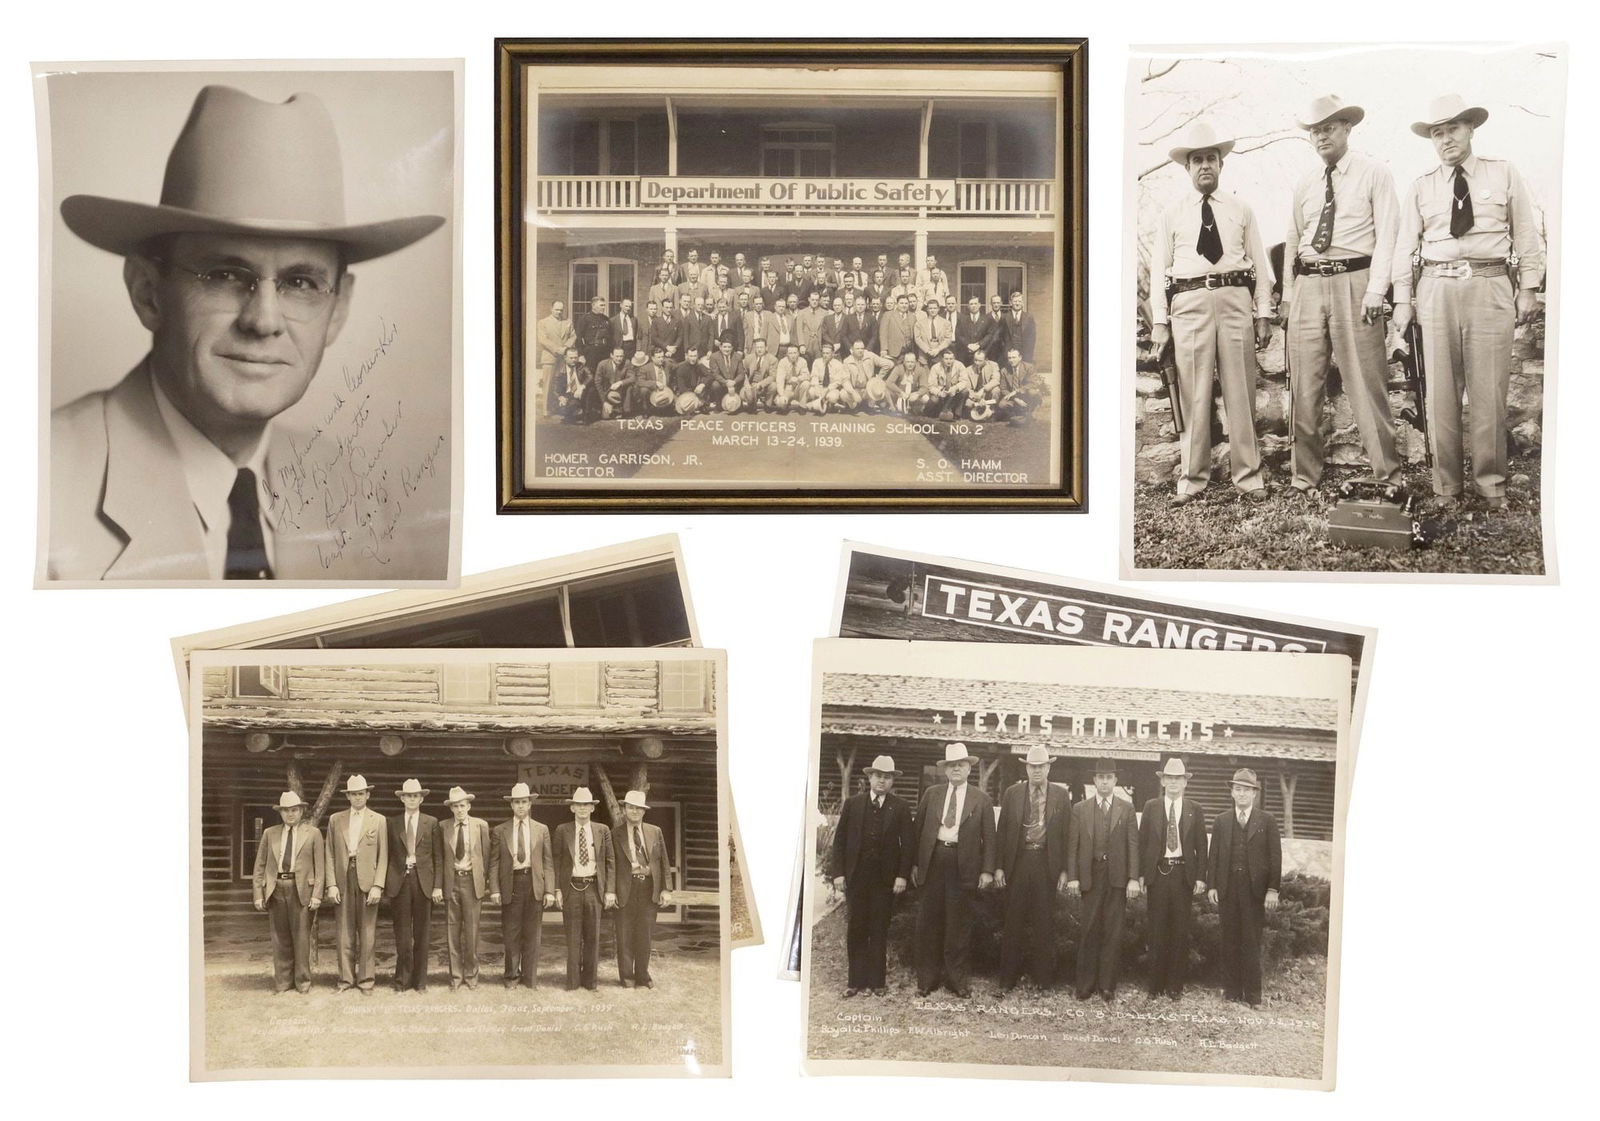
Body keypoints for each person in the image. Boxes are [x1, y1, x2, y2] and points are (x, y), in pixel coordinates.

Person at [49, 84, 443, 582]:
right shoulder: (35, 491)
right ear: (149, 293)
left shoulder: (359, 495)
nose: (263, 321)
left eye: (301, 283)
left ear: (338, 309)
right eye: (224, 275)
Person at [1391, 93, 1545, 512]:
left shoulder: (1504, 173)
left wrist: (1528, 286)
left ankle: (1491, 483)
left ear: (1471, 129)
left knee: (1489, 389)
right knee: (1440, 391)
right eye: (1437, 133)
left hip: (1490, 285)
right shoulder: (1421, 186)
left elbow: (1526, 234)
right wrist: (1402, 300)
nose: (1445, 139)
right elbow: (1405, 247)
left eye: (1453, 129)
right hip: (1436, 290)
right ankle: (1447, 487)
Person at [1149, 121, 1275, 507]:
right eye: (1197, 160)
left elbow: (1261, 264)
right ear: (1187, 168)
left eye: (1211, 159)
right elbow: (1158, 270)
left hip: (1235, 300)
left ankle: (1249, 476)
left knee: (1241, 390)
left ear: (1222, 165)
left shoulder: (1241, 210)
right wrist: (1159, 321)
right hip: (1188, 304)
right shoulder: (1171, 214)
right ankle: (1191, 478)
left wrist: (1264, 313)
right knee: (1193, 394)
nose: (1205, 165)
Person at [1282, 95, 1403, 497]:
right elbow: (1293, 238)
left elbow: (1388, 235)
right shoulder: (1305, 183)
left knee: (1368, 385)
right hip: (1309, 286)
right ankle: (1304, 476)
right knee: (1305, 385)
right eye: (1315, 130)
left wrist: (1376, 289)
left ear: (1347, 128)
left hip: (1356, 283)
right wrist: (1287, 294)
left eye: (1329, 127)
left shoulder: (1374, 173)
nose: (1321, 136)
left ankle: (1388, 475)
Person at [912, 743, 996, 998]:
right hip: (934, 859)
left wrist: (987, 870)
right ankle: (928, 979)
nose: (956, 768)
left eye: (961, 764)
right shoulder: (932, 794)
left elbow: (990, 839)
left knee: (959, 925)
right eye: (951, 765)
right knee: (929, 922)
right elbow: (918, 832)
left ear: (969, 768)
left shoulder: (981, 799)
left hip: (965, 865)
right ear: (945, 770)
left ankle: (956, 980)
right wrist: (914, 864)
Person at [829, 755, 915, 997]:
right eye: (878, 776)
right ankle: (855, 981)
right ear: (869, 777)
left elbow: (908, 845)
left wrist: (902, 876)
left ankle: (877, 983)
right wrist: (838, 874)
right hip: (856, 876)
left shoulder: (899, 807)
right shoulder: (853, 805)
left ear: (892, 781)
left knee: (879, 927)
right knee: (856, 927)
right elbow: (840, 842)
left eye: (887, 777)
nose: (882, 781)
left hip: (884, 880)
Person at [994, 745, 1070, 991]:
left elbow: (1068, 836)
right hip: (1018, 861)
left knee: (1043, 923)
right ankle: (1007, 980)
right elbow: (1002, 832)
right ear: (1026, 767)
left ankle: (1043, 980)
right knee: (1013, 921)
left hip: (1046, 862)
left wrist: (1064, 871)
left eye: (1041, 766)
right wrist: (999, 868)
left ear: (1049, 767)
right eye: (1032, 766)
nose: (1037, 771)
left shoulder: (1060, 795)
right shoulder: (1012, 793)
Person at [1063, 763, 1140, 1001]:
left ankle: (1107, 985)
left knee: (1112, 932)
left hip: (1116, 877)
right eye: (1100, 778)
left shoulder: (1126, 809)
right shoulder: (1080, 808)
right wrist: (1073, 876)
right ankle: (1085, 984)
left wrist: (1133, 878)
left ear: (1115, 781)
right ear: (1094, 781)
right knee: (1089, 929)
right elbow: (1073, 845)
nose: (1105, 782)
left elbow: (1133, 846)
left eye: (1109, 778)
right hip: (1090, 874)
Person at [1207, 769, 1282, 1007]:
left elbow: (1275, 857)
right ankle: (1232, 992)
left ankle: (1253, 995)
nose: (1241, 794)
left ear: (1254, 794)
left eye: (1246, 790)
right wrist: (1212, 886)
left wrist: (1272, 889)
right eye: (1237, 789)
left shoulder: (1267, 821)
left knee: (1251, 940)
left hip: (1254, 892)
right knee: (1229, 940)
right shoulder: (1221, 821)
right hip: (1228, 888)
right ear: (1231, 792)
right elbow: (1214, 855)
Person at [1138, 758, 1208, 1000]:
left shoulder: (1194, 809)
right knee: (1156, 931)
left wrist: (1200, 877)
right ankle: (1155, 987)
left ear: (1185, 782)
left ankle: (1175, 987)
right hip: (1158, 874)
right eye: (1169, 778)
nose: (1174, 782)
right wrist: (1140, 876)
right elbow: (1142, 842)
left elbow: (1202, 845)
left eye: (1178, 778)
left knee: (1179, 932)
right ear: (1163, 780)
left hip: (1182, 875)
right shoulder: (1151, 807)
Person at [251, 791, 324, 994]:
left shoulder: (313, 833)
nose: (290, 814)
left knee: (301, 938)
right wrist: (258, 893)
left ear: (301, 811)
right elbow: (260, 866)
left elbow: (320, 867)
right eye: (286, 811)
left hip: (301, 890)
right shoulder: (270, 833)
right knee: (279, 937)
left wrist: (317, 894)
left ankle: (302, 983)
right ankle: (283, 983)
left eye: (294, 810)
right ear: (280, 813)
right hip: (276, 889)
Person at [324, 774, 387, 994]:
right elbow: (329, 854)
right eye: (353, 794)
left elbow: (383, 855)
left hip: (368, 881)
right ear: (348, 796)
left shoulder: (378, 820)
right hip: (343, 878)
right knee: (344, 932)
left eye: (361, 793)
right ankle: (345, 980)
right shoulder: (336, 819)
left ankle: (366, 980)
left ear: (367, 794)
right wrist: (331, 884)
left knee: (367, 932)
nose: (358, 797)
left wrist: (378, 885)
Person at [490, 782, 555, 990]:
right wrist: (494, 889)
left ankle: (530, 978)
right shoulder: (500, 830)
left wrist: (549, 890)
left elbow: (548, 862)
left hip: (534, 883)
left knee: (533, 934)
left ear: (529, 804)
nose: (520, 806)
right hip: (512, 883)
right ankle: (511, 976)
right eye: (516, 802)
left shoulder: (541, 829)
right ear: (511, 805)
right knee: (511, 933)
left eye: (524, 802)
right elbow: (494, 862)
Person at [553, 787, 616, 991]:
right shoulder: (562, 830)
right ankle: (572, 982)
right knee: (572, 936)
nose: (582, 809)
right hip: (571, 887)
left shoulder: (602, 830)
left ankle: (590, 982)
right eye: (578, 805)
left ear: (592, 808)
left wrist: (609, 890)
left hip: (593, 888)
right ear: (572, 808)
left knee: (592, 936)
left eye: (586, 805)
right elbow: (556, 860)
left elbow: (610, 861)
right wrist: (557, 889)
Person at [612, 790, 673, 989]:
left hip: (648, 889)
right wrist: (611, 891)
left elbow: (663, 860)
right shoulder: (615, 833)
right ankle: (627, 978)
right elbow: (610, 865)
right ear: (624, 809)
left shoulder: (655, 831)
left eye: (639, 808)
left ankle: (643, 977)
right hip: (625, 888)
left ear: (644, 811)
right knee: (624, 935)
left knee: (644, 935)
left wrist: (666, 889)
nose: (635, 811)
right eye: (631, 807)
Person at [385, 778, 441, 993]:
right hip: (400, 882)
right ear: (402, 799)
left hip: (423, 882)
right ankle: (402, 981)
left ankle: (420, 982)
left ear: (421, 798)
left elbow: (437, 857)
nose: (412, 799)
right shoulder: (393, 823)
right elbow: (388, 855)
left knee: (422, 934)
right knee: (402, 935)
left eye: (415, 796)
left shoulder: (431, 822)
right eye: (408, 796)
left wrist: (437, 886)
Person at [439, 786, 490, 991]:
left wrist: (482, 881)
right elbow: (440, 858)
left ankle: (471, 976)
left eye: (462, 805)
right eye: (455, 806)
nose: (459, 810)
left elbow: (486, 856)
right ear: (451, 809)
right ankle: (455, 978)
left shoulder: (481, 826)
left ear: (468, 805)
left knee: (471, 931)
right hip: (452, 882)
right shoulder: (443, 826)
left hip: (471, 882)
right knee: (452, 931)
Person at [536, 300, 576, 420]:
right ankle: (546, 409)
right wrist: (558, 349)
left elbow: (573, 336)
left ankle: (563, 407)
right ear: (551, 309)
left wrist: (566, 348)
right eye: (556, 309)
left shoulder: (567, 322)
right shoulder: (543, 322)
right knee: (548, 383)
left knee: (564, 382)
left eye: (561, 310)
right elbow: (543, 340)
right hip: (550, 357)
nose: (559, 312)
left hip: (564, 357)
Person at [996, 348, 1046, 423]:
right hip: (1014, 397)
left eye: (1014, 357)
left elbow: (1033, 383)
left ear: (1020, 357)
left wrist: (1017, 391)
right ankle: (1016, 413)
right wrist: (1016, 399)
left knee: (1033, 392)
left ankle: (1032, 410)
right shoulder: (1004, 370)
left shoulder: (1029, 367)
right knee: (1002, 404)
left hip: (1026, 394)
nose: (1011, 360)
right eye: (1009, 358)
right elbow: (1003, 388)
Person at [955, 296, 999, 365]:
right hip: (966, 355)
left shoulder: (987, 319)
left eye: (975, 303)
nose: (973, 306)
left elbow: (990, 334)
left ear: (979, 305)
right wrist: (968, 345)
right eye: (971, 304)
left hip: (982, 353)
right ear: (968, 306)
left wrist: (979, 345)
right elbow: (958, 335)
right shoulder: (962, 319)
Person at [914, 297, 954, 365]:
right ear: (927, 309)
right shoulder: (919, 324)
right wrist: (927, 350)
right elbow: (917, 339)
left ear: (938, 309)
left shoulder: (946, 323)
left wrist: (938, 349)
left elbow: (948, 339)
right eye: (930, 308)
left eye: (935, 308)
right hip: (924, 356)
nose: (932, 310)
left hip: (940, 354)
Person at [1001, 291, 1037, 365]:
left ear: (1022, 303)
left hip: (1025, 352)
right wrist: (1006, 350)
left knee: (1023, 373)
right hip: (1009, 353)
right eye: (1015, 301)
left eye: (1019, 301)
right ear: (1011, 302)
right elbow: (1001, 336)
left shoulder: (1029, 317)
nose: (1017, 303)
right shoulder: (1004, 317)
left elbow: (1032, 337)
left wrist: (1028, 352)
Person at [879, 293, 916, 360]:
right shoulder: (888, 315)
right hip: (893, 351)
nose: (904, 305)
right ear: (897, 304)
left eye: (906, 303)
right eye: (901, 303)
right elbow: (883, 333)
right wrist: (884, 349)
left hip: (909, 351)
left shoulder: (912, 317)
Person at [609, 297, 639, 363]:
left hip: (631, 347)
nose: (628, 308)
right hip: (620, 346)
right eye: (626, 306)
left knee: (631, 365)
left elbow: (636, 334)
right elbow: (611, 337)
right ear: (621, 305)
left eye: (630, 306)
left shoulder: (634, 319)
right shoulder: (613, 320)